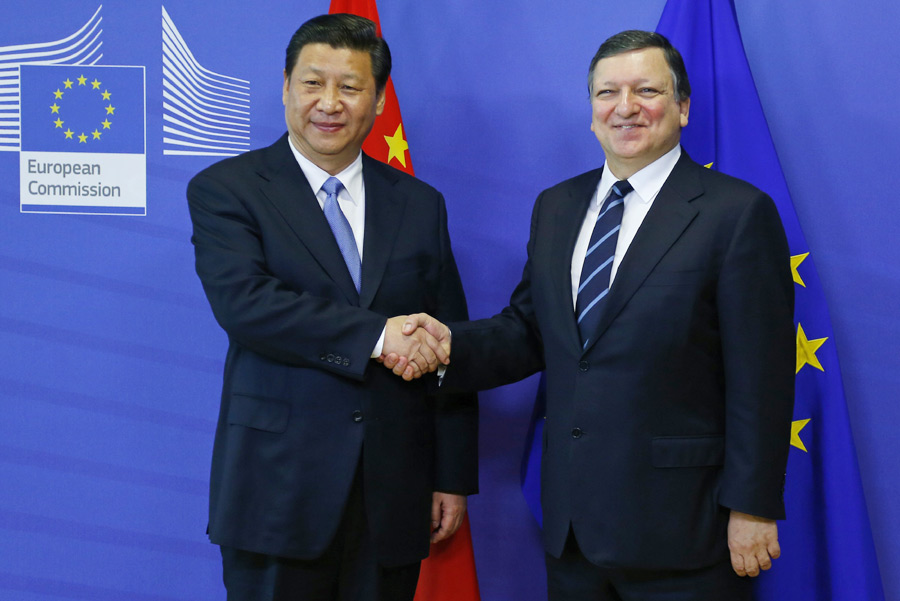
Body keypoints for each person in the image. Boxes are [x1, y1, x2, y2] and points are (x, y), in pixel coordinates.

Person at [390, 30, 794, 600]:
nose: (624, 107)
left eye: (646, 90)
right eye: (607, 92)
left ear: (682, 107)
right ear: (591, 112)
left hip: (687, 530)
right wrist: (446, 345)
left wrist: (751, 507)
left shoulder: (736, 213)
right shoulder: (557, 206)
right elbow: (529, 330)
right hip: (573, 529)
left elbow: (763, 376)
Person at [186, 14, 477, 601]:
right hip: (276, 491)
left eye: (350, 87)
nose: (329, 103)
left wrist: (449, 476)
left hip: (392, 494)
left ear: (376, 100)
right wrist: (378, 337)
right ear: (286, 86)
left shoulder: (420, 205)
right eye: (313, 83)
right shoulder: (228, 189)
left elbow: (448, 337)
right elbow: (247, 305)